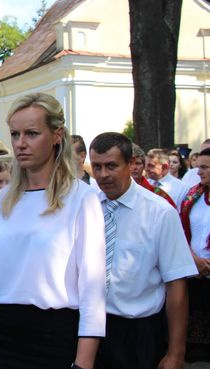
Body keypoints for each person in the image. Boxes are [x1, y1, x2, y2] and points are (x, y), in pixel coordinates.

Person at [0, 93, 106, 369]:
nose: (20, 143)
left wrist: (83, 364)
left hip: (54, 336)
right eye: (15, 134)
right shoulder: (4, 198)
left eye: (32, 133)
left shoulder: (82, 198)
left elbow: (92, 288)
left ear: (56, 135)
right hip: (3, 333)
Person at [90, 132, 197, 369]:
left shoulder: (159, 212)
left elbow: (176, 285)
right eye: (96, 167)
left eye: (111, 166)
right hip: (90, 328)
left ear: (131, 165)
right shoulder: (86, 207)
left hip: (138, 333)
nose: (103, 175)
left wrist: (175, 354)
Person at [180, 148, 210, 361]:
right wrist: (193, 259)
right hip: (196, 273)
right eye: (197, 166)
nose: (198, 172)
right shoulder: (193, 196)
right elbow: (180, 231)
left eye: (204, 167)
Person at [130, 144, 177, 208]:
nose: (134, 167)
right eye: (129, 163)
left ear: (144, 166)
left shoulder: (158, 194)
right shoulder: (114, 193)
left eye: (138, 163)